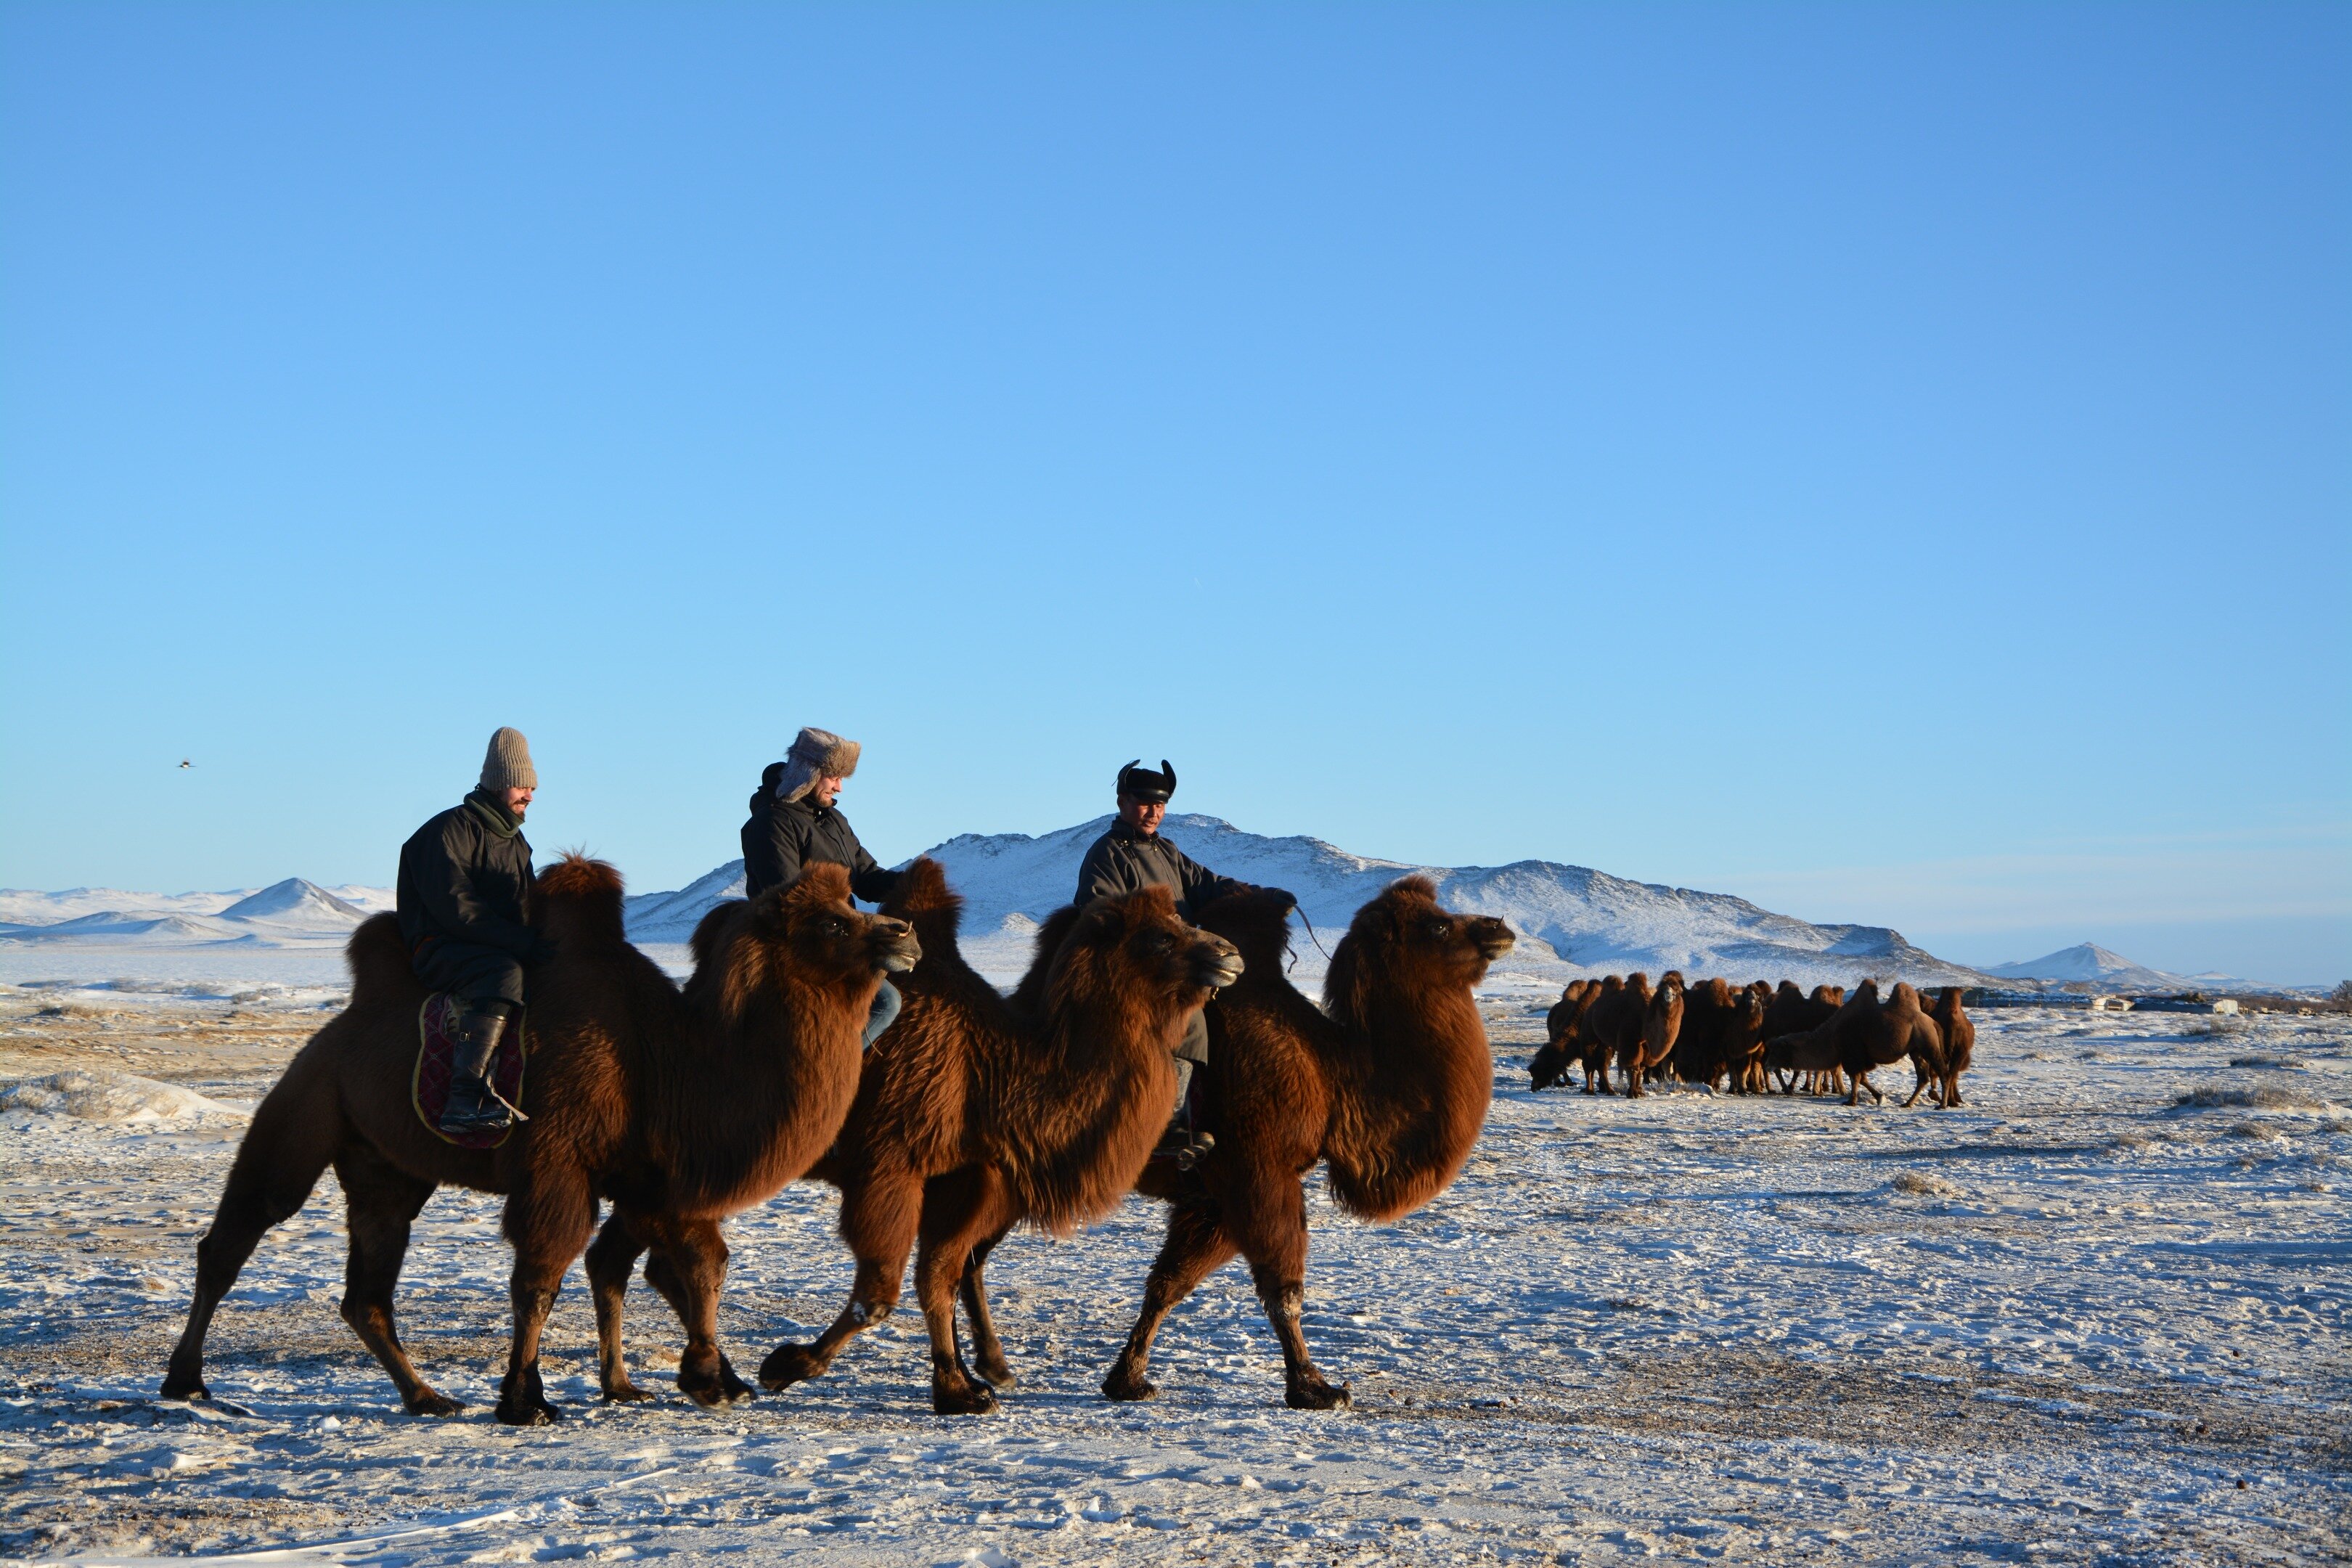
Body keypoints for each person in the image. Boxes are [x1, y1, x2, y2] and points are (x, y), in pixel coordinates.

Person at [1075, 759, 1275, 1164]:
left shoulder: (1166, 850)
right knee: (1188, 1021)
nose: (1153, 812)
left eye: (1161, 806)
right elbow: (1098, 910)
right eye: (1145, 803)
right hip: (1139, 972)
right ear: (1123, 801)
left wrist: (1253, 896)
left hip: (1179, 963)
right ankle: (1165, 1124)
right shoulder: (1108, 854)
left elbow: (1205, 885)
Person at [397, 727, 551, 1136]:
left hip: (494, 946)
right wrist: (521, 942)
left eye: (532, 788)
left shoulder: (517, 844)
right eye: (522, 786)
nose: (530, 796)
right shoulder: (448, 831)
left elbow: (526, 905)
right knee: (504, 974)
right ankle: (465, 1096)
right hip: (443, 947)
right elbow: (457, 909)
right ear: (500, 783)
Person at [741, 725, 904, 1048]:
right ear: (809, 772)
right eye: (834, 777)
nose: (840, 788)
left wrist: (912, 885)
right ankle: (832, 1070)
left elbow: (866, 875)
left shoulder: (833, 821)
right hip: (801, 948)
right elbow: (788, 900)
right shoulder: (772, 823)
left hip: (841, 938)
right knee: (888, 1003)